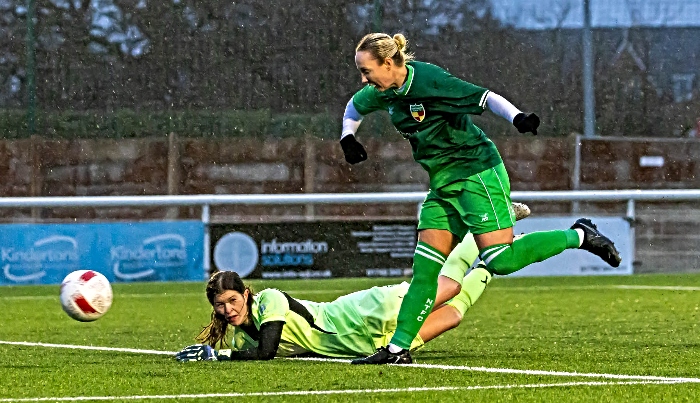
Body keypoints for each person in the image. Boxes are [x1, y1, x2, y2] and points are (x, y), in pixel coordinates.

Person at [338, 32, 622, 364]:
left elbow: (485, 98)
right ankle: (398, 349)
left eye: (367, 70)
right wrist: (347, 136)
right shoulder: (382, 92)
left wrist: (517, 117)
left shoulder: (430, 81)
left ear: (388, 63)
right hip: (443, 187)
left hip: (476, 174)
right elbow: (355, 106)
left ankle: (580, 235)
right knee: (426, 270)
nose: (363, 78)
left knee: (500, 259)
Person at [174, 241, 489, 362]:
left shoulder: (269, 300)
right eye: (220, 305)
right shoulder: (244, 339)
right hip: (366, 344)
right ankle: (491, 264)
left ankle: (481, 237)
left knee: (449, 288)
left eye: (232, 300)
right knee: (452, 316)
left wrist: (219, 356)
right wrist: (226, 353)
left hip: (363, 312)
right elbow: (257, 353)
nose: (228, 309)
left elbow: (267, 351)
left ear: (245, 294)